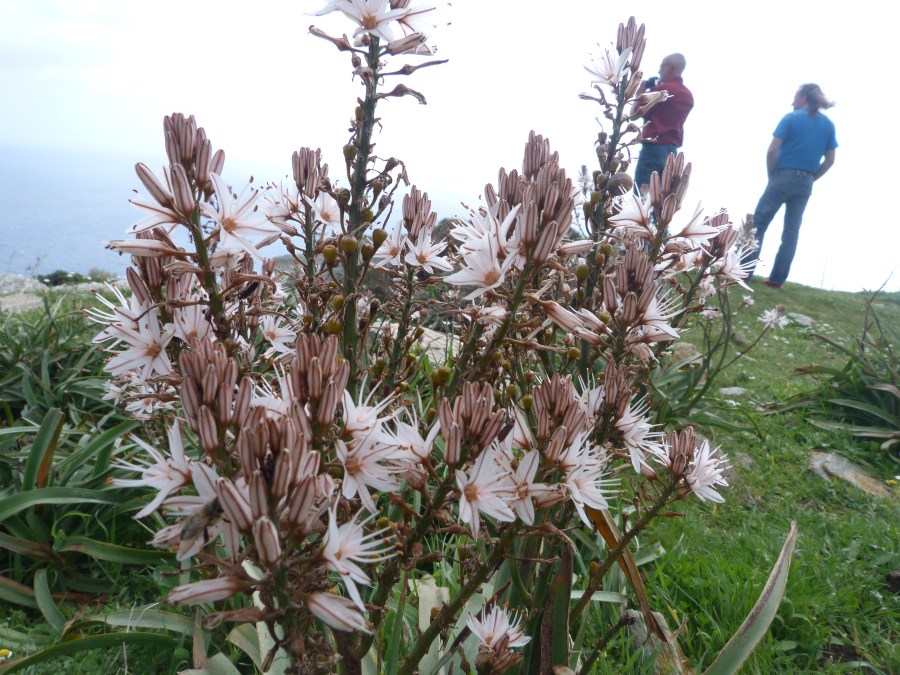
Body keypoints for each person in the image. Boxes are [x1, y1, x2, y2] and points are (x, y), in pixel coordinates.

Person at [743, 84, 837, 288]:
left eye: (795, 97)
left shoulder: (790, 118)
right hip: (805, 182)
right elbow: (830, 160)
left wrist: (772, 174)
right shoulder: (828, 125)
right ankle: (777, 280)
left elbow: (772, 150)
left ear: (803, 98)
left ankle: (744, 272)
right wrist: (812, 178)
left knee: (759, 223)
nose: (792, 102)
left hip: (782, 175)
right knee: (791, 232)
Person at [633, 53, 694, 194]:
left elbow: (635, 114)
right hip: (672, 155)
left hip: (652, 149)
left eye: (661, 66)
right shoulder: (688, 96)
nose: (659, 71)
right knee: (662, 199)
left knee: (642, 197)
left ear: (669, 68)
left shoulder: (662, 91)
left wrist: (639, 95)